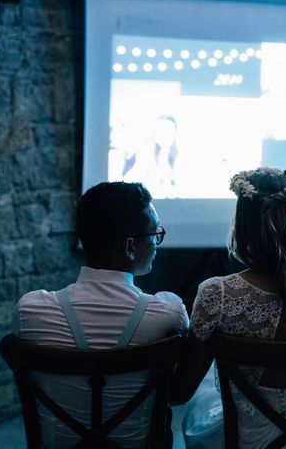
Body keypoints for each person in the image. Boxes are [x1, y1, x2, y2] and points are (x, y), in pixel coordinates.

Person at [173, 167, 286, 449]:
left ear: (241, 224)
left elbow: (181, 390)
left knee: (202, 396)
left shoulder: (217, 295)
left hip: (247, 439)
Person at [13, 181, 188, 448]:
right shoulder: (168, 313)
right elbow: (177, 393)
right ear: (130, 246)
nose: (156, 243)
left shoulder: (31, 311)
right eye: (155, 234)